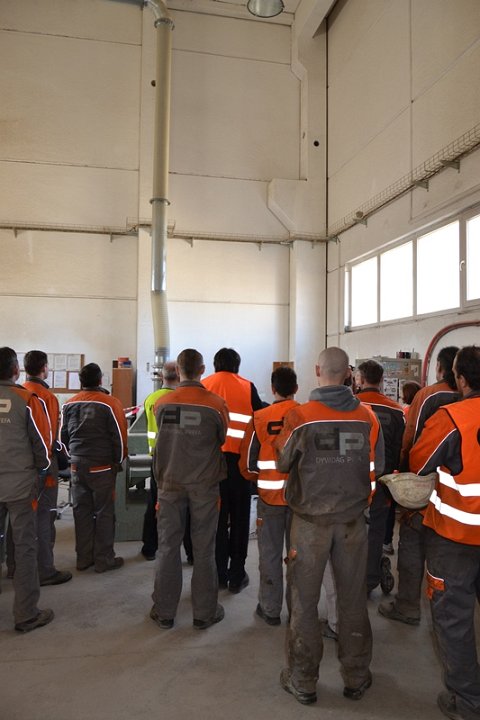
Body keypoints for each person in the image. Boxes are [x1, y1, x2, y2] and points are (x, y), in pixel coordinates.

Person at [275, 347, 384, 706]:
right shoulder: (367, 417)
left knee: (305, 603)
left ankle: (303, 680)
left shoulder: (300, 416)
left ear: (317, 370)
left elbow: (282, 461)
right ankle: (356, 676)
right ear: (348, 374)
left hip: (310, 524)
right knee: (352, 600)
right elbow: (378, 466)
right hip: (353, 523)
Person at [409, 345, 480, 720]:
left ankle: (468, 701)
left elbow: (419, 463)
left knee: (453, 620)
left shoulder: (451, 418)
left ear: (461, 380)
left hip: (456, 537)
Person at [379, 346, 459, 625]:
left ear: (440, 368)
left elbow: (410, 439)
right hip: (463, 493)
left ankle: (408, 606)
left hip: (425, 485)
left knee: (413, 542)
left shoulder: (428, 396)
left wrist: (403, 475)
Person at [150, 349, 229, 630]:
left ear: (178, 371)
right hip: (204, 485)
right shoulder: (216, 405)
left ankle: (164, 611)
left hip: (169, 482)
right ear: (202, 370)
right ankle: (204, 613)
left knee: (168, 546)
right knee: (204, 548)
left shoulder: (162, 403)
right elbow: (222, 438)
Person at [239, 366, 299, 625]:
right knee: (297, 556)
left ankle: (270, 609)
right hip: (300, 500)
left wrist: (261, 479)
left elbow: (247, 464)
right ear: (296, 388)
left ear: (273, 389)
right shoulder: (306, 416)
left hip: (269, 499)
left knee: (270, 554)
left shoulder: (259, 417)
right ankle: (298, 612)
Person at [0, 347, 54, 632]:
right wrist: (42, 471)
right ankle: (25, 614)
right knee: (24, 546)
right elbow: (42, 447)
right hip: (20, 487)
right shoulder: (27, 400)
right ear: (15, 370)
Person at [202, 348, 263, 592]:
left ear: (215, 365)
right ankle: (237, 575)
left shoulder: (204, 385)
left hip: (211, 463)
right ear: (237, 365)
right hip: (240, 464)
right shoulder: (248, 387)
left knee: (216, 519)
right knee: (239, 518)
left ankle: (218, 573)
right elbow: (259, 422)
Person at [60, 362, 128, 573]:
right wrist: (118, 462)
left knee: (81, 512)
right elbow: (119, 437)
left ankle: (83, 559)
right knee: (104, 512)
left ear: (81, 381)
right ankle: (104, 559)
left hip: (76, 466)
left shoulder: (69, 404)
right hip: (102, 467)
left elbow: (63, 437)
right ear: (100, 380)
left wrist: (72, 459)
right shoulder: (110, 403)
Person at [21, 350, 72, 586]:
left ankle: (15, 567)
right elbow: (50, 437)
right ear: (44, 368)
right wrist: (56, 460)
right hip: (42, 466)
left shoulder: (19, 392)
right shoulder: (46, 397)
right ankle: (45, 570)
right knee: (44, 515)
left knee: (20, 518)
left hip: (18, 468)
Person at [355, 360, 405, 594]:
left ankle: (350, 581)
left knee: (350, 530)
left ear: (361, 379)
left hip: (353, 479)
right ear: (382, 380)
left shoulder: (351, 405)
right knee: (376, 530)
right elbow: (401, 447)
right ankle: (370, 580)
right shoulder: (396, 410)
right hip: (384, 479)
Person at [141, 360, 179, 561]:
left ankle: (149, 547)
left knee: (154, 501)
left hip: (156, 458)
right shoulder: (180, 398)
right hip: (178, 457)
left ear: (162, 376)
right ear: (179, 375)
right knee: (184, 504)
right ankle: (189, 551)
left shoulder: (151, 398)